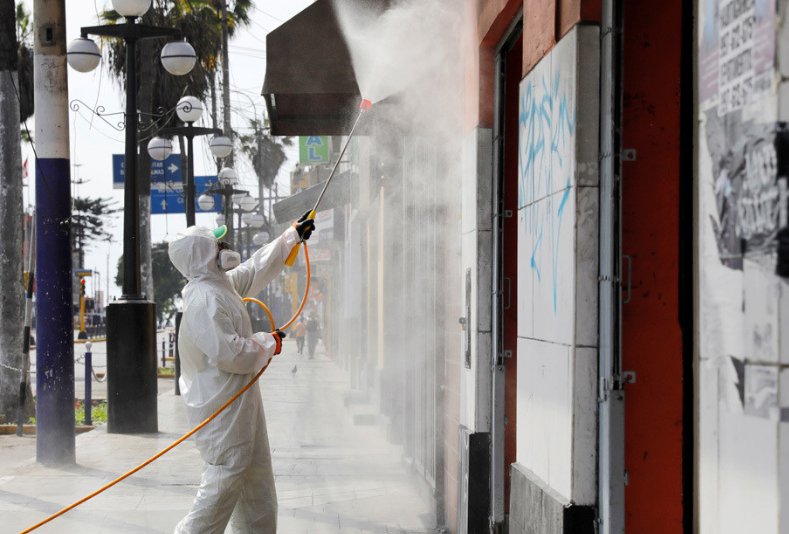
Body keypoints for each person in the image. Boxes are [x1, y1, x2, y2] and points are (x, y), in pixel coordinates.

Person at [168, 211, 314, 534]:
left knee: (258, 488)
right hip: (222, 415)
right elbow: (230, 353)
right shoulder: (204, 300)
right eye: (217, 243)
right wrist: (268, 343)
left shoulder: (220, 285)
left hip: (240, 405)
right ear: (203, 255)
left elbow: (254, 269)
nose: (224, 246)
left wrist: (291, 236)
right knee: (220, 490)